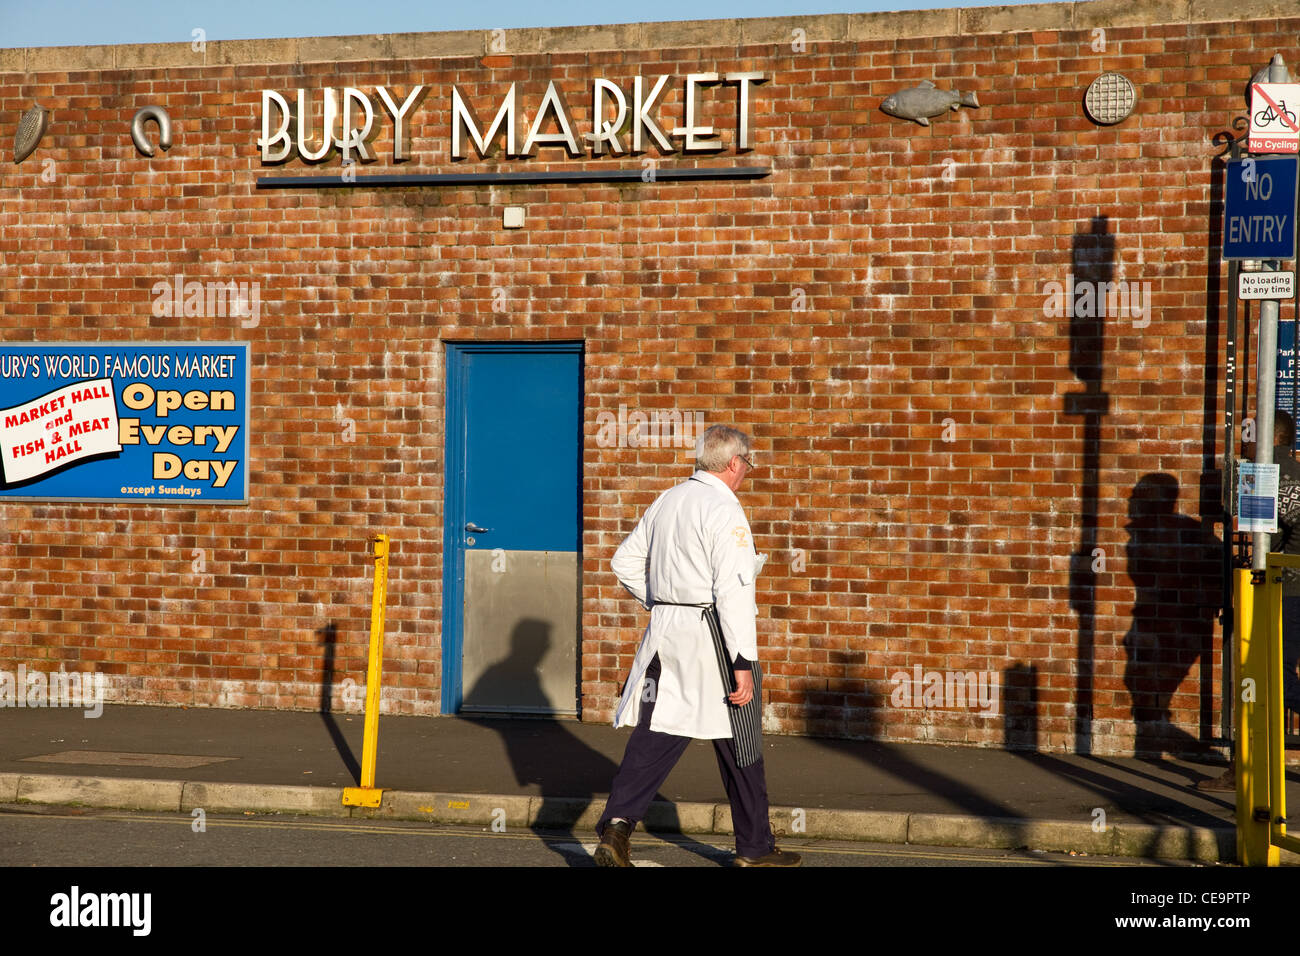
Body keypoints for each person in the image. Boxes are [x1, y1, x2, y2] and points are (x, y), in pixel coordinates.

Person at [593, 424, 799, 867]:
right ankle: (755, 848)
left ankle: (616, 828)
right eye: (748, 463)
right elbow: (733, 590)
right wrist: (742, 660)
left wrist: (662, 598)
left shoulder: (669, 498)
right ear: (734, 463)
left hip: (666, 632)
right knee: (742, 743)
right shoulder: (725, 509)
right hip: (713, 640)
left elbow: (623, 560)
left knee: (655, 737)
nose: (747, 471)